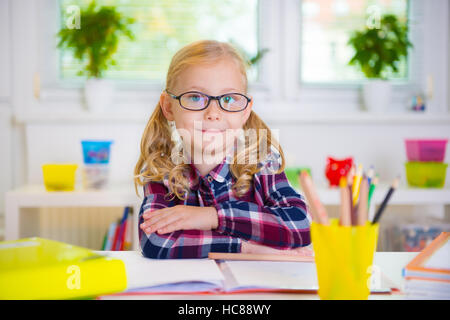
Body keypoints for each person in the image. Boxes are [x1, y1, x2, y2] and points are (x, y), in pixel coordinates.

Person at [134, 40, 311, 258]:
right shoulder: (162, 169)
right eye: (196, 97)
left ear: (245, 111)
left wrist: (213, 216)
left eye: (228, 99)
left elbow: (300, 224)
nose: (213, 113)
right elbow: (155, 241)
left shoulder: (261, 160)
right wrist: (246, 248)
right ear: (169, 107)